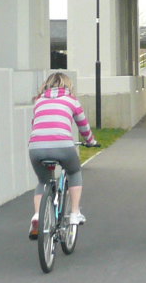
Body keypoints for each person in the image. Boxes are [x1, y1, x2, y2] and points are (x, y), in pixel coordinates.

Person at [27, 71, 98, 238]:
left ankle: (37, 215)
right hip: (62, 145)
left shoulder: (39, 101)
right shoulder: (72, 100)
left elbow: (35, 124)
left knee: (43, 181)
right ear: (68, 86)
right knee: (74, 172)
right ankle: (74, 213)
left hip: (36, 147)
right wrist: (91, 141)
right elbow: (83, 125)